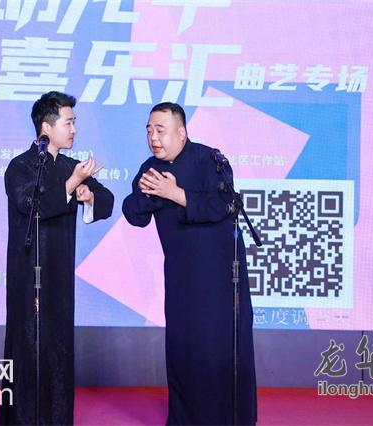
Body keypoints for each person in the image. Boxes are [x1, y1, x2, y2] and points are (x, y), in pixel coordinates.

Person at [122, 102, 257, 425]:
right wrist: (149, 194)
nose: (153, 138)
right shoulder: (150, 169)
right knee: (183, 349)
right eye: (149, 130)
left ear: (181, 133)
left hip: (220, 277)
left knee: (218, 349)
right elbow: (134, 214)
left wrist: (176, 194)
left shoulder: (210, 159)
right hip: (181, 277)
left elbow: (225, 204)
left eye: (161, 130)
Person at [0, 91, 114, 425]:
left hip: (59, 277)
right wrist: (71, 184)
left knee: (58, 351)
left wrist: (88, 194)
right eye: (69, 123)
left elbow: (106, 200)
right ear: (46, 128)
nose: (74, 129)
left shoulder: (68, 165)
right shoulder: (21, 167)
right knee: (27, 349)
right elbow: (31, 205)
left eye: (74, 123)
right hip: (28, 276)